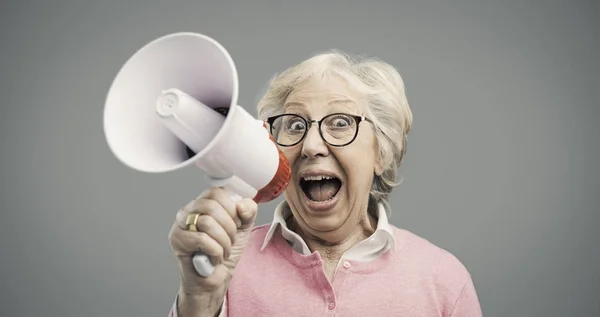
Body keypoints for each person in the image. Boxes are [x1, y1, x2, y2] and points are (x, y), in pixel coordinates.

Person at [167, 50, 483, 317]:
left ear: (381, 152)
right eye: (294, 125)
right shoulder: (223, 264)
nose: (311, 146)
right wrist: (199, 302)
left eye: (341, 122)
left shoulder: (442, 280)